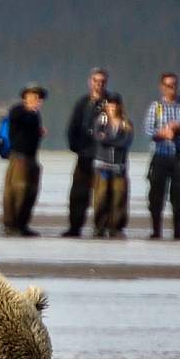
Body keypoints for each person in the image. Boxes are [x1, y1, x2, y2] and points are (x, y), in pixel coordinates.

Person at [143, 72, 180, 239]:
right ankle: (156, 230)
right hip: (161, 154)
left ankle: (178, 230)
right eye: (168, 85)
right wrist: (164, 133)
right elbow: (148, 130)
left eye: (174, 85)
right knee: (156, 194)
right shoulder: (156, 106)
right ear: (162, 87)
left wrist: (179, 128)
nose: (171, 89)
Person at [62, 67, 110, 237]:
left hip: (103, 157)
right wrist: (77, 147)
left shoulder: (111, 103)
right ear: (90, 82)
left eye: (102, 81)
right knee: (78, 194)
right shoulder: (82, 103)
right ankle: (74, 227)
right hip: (84, 156)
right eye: (96, 81)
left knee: (103, 196)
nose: (99, 85)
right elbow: (72, 128)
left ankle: (101, 228)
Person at [2, 83, 47, 237]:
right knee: (17, 192)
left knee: (30, 193)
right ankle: (12, 225)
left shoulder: (35, 115)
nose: (37, 100)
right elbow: (17, 121)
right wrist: (30, 112)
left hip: (31, 158)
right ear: (25, 97)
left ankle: (22, 224)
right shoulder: (18, 111)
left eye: (38, 97)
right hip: (19, 158)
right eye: (33, 96)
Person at [90, 93, 133, 237]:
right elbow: (97, 138)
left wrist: (108, 139)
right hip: (102, 165)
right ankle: (99, 227)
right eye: (109, 104)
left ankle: (116, 228)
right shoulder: (101, 120)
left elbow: (125, 143)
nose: (112, 107)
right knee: (101, 198)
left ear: (120, 106)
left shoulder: (126, 123)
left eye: (115, 104)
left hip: (119, 167)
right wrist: (113, 141)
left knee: (119, 198)